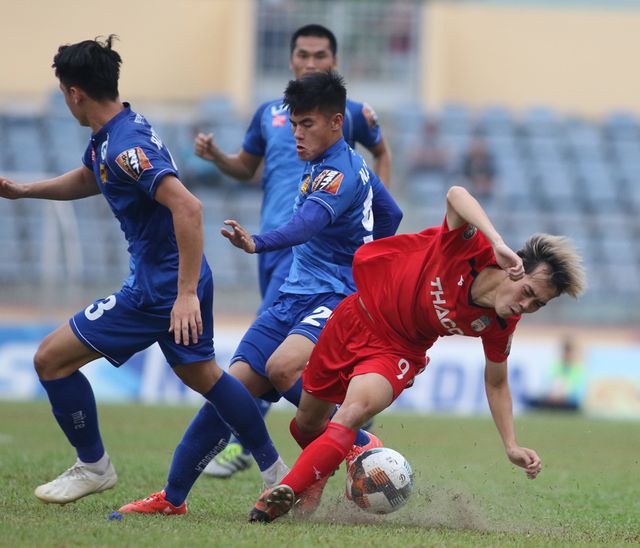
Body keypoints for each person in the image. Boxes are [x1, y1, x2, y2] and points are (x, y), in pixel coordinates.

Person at [0, 35, 285, 506]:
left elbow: (189, 208)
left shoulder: (126, 145)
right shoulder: (116, 132)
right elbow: (92, 177)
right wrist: (26, 191)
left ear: (74, 93)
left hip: (158, 291)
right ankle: (276, 471)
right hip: (176, 281)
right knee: (206, 377)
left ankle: (93, 466)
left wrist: (184, 293)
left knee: (50, 360)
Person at [119, 70, 402, 515]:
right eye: (293, 124)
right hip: (291, 295)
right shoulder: (334, 163)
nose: (297, 134)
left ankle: (358, 438)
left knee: (283, 368)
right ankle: (172, 498)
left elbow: (307, 225)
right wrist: (373, 251)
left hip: (336, 299)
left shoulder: (341, 172)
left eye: (306, 124)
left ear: (334, 122)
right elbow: (392, 212)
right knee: (231, 391)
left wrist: (258, 242)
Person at [249, 185, 587, 523]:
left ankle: (283, 493)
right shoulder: (470, 248)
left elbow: (497, 383)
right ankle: (321, 473)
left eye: (537, 304)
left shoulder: (500, 324)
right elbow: (456, 194)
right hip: (353, 318)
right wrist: (497, 240)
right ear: (514, 268)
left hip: (398, 351)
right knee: (306, 425)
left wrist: (511, 445)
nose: (525, 306)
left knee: (351, 414)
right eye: (528, 292)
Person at [194, 23, 393, 478]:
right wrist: (217, 158)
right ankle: (337, 418)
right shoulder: (269, 113)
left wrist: (372, 232)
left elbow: (382, 160)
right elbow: (246, 168)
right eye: (302, 54)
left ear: (333, 63)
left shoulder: (354, 113)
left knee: (269, 361)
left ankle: (256, 445)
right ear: (290, 60)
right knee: (271, 361)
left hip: (314, 249)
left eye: (320, 56)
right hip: (274, 251)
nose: (310, 63)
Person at [460, 135, 496, 203]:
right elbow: (464, 174)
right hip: (471, 183)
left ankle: (499, 211)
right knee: (464, 186)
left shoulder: (488, 159)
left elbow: (492, 174)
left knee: (497, 187)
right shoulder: (467, 160)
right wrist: (476, 182)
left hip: (486, 184)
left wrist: (484, 182)